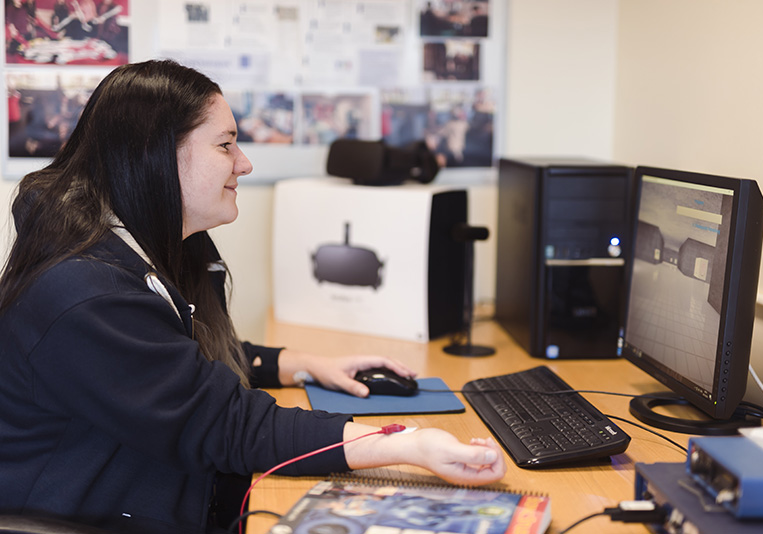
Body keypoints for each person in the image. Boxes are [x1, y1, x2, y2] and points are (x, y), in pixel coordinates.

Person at [0, 59, 505, 534]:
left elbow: (165, 364)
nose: (243, 163)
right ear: (155, 154)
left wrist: (300, 363)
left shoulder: (131, 250)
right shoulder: (83, 293)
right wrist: (407, 446)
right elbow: (229, 426)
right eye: (225, 145)